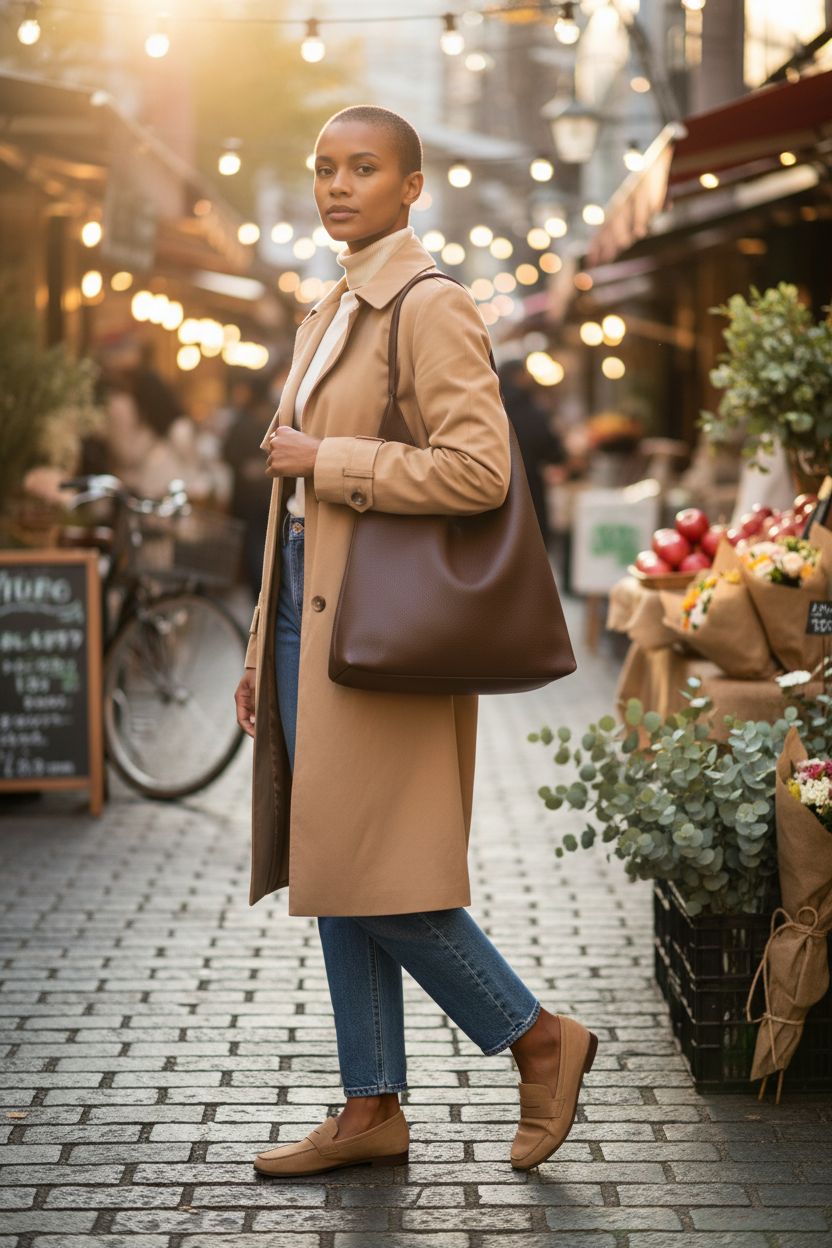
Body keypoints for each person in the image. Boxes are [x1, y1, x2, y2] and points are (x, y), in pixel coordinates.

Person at [233, 105, 596, 1178]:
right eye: (324, 169)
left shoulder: (429, 307)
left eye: (364, 169)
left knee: (373, 872)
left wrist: (332, 458)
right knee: (334, 861)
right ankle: (370, 1106)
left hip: (381, 630)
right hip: (310, 611)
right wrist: (261, 638)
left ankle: (537, 1038)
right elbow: (288, 500)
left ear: (411, 186)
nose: (338, 186)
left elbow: (481, 471)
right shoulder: (328, 307)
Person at [222, 367, 289, 599]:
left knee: (253, 543)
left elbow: (227, 452)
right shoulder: (276, 415)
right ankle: (270, 588)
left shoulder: (243, 421)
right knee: (269, 540)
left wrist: (247, 467)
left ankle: (260, 591)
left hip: (249, 497)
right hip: (271, 491)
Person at [497, 358, 566, 547]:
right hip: (530, 489)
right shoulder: (531, 410)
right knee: (533, 545)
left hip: (499, 489)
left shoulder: (494, 407)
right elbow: (553, 452)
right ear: (519, 376)